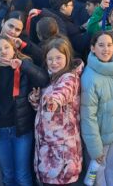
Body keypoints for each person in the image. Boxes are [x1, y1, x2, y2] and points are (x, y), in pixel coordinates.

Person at [0, 34, 48, 186]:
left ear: (14, 49)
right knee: (8, 175)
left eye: (6, 47)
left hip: (21, 129)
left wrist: (23, 65)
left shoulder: (25, 65)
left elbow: (43, 79)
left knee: (22, 174)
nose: (3, 52)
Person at [30, 37, 84, 186]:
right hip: (49, 151)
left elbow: (62, 93)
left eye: (58, 58)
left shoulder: (69, 78)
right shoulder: (52, 77)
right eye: (50, 59)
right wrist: (36, 99)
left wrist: (53, 100)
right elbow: (47, 112)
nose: (54, 62)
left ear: (67, 57)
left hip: (61, 154)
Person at [81, 31, 113, 186]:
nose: (106, 49)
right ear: (92, 48)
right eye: (101, 45)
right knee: (99, 176)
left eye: (109, 45)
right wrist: (95, 149)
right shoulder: (89, 78)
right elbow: (88, 117)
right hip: (101, 138)